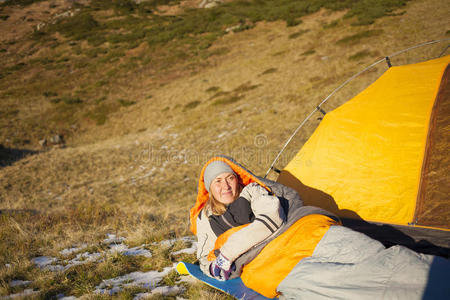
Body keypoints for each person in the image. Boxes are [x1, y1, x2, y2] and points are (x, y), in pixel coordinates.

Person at [191, 156, 450, 299]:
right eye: (217, 182)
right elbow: (205, 258)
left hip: (307, 231)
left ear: (238, 180)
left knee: (374, 254)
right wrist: (215, 264)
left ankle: (439, 278)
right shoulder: (206, 219)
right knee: (348, 285)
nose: (225, 186)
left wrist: (227, 254)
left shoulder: (254, 191)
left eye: (229, 178)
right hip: (272, 263)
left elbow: (270, 220)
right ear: (209, 188)